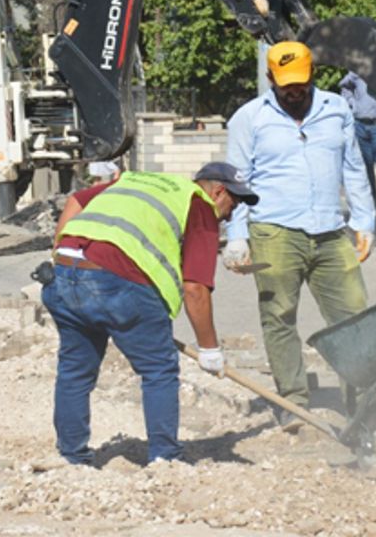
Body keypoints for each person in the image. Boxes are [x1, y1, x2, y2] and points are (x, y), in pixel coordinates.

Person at [43, 161, 259, 464]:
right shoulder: (200, 206)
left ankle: (72, 456)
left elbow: (76, 200)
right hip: (118, 283)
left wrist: (64, 256)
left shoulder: (140, 183)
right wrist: (210, 349)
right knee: (158, 370)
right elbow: (195, 288)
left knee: (75, 371)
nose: (231, 214)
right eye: (233, 204)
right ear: (218, 191)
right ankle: (165, 459)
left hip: (64, 274)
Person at [223, 41, 375, 427]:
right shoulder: (249, 118)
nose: (295, 91)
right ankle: (292, 401)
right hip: (274, 231)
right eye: (286, 84)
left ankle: (361, 401)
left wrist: (364, 220)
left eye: (301, 83)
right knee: (279, 316)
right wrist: (236, 235)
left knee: (354, 316)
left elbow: (353, 166)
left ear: (313, 76)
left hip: (330, 231)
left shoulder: (335, 109)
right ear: (271, 78)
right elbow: (238, 180)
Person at [338, 70, 376, 203]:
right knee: (367, 164)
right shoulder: (355, 74)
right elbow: (343, 85)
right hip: (360, 124)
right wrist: (351, 103)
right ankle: (372, 202)